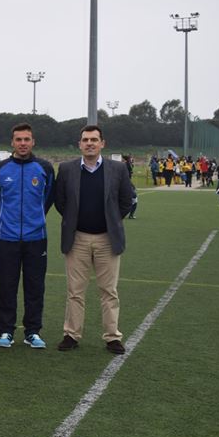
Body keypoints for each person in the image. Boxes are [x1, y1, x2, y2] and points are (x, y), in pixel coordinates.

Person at [54, 125, 134, 355]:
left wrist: (111, 221)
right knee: (75, 291)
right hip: (77, 238)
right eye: (85, 139)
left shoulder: (117, 169)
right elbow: (61, 201)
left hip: (107, 239)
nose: (90, 143)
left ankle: (112, 337)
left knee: (109, 291)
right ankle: (71, 334)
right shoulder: (67, 169)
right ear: (79, 144)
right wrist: (74, 221)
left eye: (94, 139)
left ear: (102, 143)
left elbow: (126, 201)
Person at [0, 123, 55, 349]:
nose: (23, 143)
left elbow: (47, 199)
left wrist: (35, 220)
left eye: (27, 139)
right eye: (19, 139)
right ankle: (6, 331)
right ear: (12, 143)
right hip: (7, 238)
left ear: (33, 141)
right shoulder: (0, 170)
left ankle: (32, 331)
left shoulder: (44, 168)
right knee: (7, 285)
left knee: (35, 286)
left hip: (36, 238)